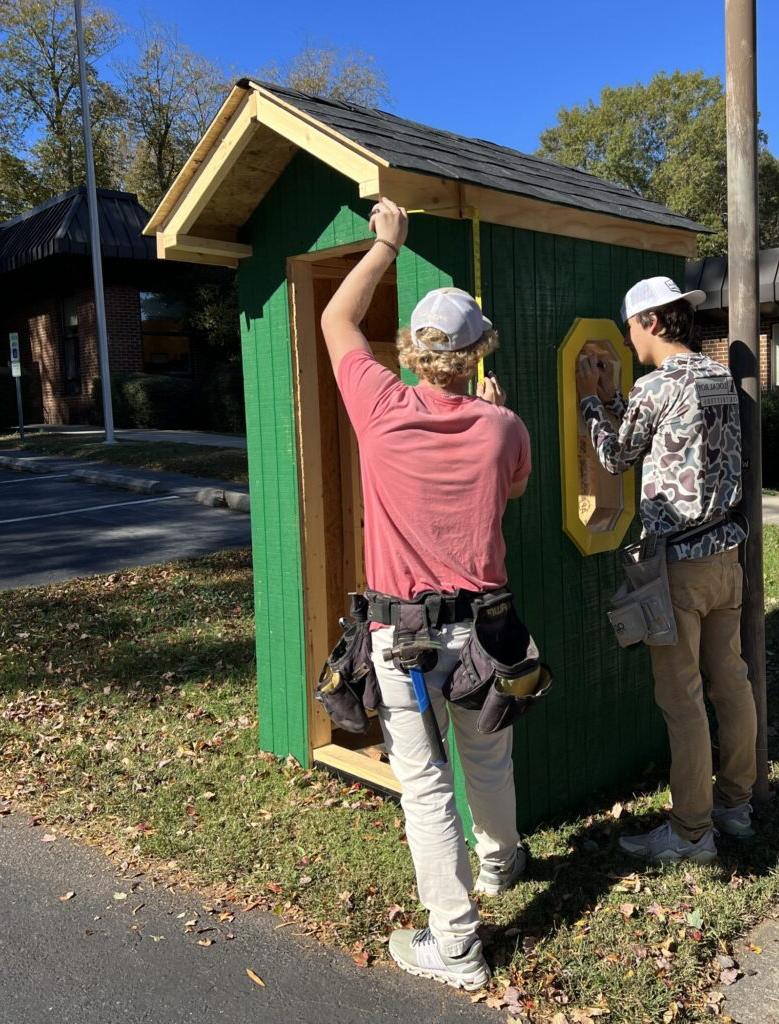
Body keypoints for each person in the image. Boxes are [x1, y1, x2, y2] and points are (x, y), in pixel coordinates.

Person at [320, 197, 532, 990]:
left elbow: (337, 321)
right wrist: (490, 411)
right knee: (489, 756)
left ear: (411, 351)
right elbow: (510, 491)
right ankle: (503, 863)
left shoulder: (378, 408)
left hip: (401, 636)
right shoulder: (503, 426)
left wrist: (385, 245)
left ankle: (458, 948)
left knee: (426, 786)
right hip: (488, 630)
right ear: (478, 354)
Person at [576, 276, 757, 865]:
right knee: (731, 685)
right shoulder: (719, 377)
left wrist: (591, 400)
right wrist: (614, 398)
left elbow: (614, 455)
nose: (628, 341)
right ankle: (736, 805)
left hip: (677, 567)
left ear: (650, 322)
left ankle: (690, 832)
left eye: (629, 328)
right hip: (725, 558)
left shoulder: (656, 387)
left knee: (682, 702)